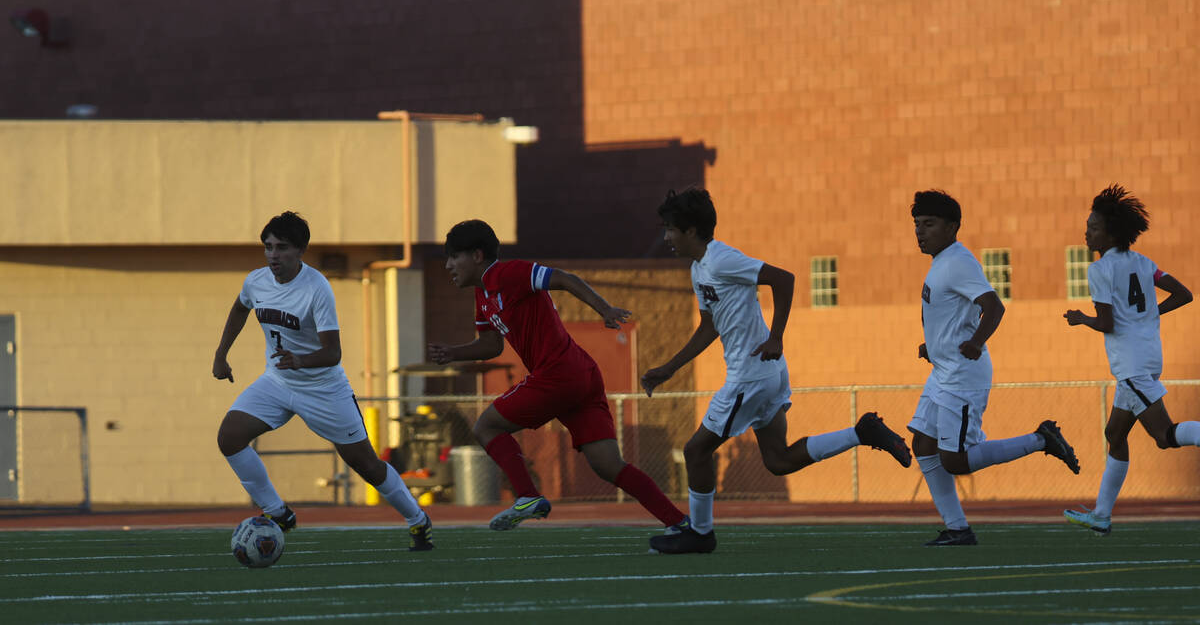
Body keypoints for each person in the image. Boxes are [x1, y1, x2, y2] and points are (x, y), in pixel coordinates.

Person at [641, 188, 913, 555]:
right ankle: (861, 432)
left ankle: (701, 534)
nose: (667, 237)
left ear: (691, 230)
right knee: (778, 461)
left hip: (751, 375)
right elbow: (710, 326)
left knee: (695, 452)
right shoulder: (698, 269)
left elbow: (784, 279)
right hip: (765, 373)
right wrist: (669, 368)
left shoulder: (721, 259)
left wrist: (776, 337)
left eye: (671, 229)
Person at [427, 219, 688, 544]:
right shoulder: (482, 295)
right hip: (580, 375)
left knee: (486, 427)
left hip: (558, 373)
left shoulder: (507, 274)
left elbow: (563, 278)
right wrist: (453, 353)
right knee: (608, 464)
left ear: (477, 255)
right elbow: (491, 345)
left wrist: (603, 309)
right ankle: (680, 523)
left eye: (454, 256)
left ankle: (527, 495)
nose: (449, 265)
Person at [213, 211, 434, 551]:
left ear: (301, 250)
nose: (273, 255)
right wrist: (221, 354)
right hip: (278, 382)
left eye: (282, 247)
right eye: (268, 247)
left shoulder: (317, 288)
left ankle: (418, 521)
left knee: (367, 466)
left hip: (323, 389)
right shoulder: (255, 281)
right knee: (230, 437)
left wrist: (300, 360)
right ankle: (277, 512)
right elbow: (241, 308)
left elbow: (333, 353)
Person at [909, 190, 1080, 546]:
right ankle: (957, 529)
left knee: (954, 461)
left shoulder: (959, 261)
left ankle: (1040, 440)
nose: (920, 232)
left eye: (929, 224)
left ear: (953, 226)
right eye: (917, 225)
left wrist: (976, 342)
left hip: (962, 375)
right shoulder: (941, 261)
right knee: (924, 443)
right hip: (943, 370)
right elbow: (955, 314)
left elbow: (993, 306)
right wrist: (934, 345)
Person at [1063, 185, 1196, 535]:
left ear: (1111, 232)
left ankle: (1102, 515)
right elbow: (1184, 295)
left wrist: (1081, 319)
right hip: (1147, 359)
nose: (1087, 232)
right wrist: (1149, 315)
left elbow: (1106, 323)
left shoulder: (1099, 270)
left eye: (1092, 227)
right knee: (1114, 433)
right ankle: (1102, 515)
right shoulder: (1143, 263)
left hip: (1132, 366)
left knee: (1164, 437)